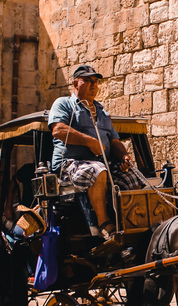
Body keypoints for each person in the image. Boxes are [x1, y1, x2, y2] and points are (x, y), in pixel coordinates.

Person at [48, 64, 145, 251]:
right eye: (88, 80)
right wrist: (90, 142)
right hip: (70, 164)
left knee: (134, 176)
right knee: (97, 171)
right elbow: (58, 130)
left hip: (103, 162)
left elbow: (115, 140)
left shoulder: (102, 112)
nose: (94, 84)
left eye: (96, 81)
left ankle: (131, 221)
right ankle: (103, 225)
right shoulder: (63, 104)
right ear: (76, 83)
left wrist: (123, 155)